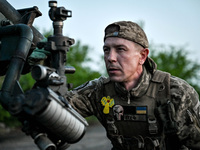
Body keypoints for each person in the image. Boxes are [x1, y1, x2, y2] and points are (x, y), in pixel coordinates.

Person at [66, 21, 200, 150]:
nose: (110, 57)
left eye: (120, 49)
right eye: (106, 50)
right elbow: (59, 107)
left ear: (142, 56)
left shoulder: (176, 92)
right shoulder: (98, 91)